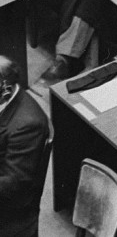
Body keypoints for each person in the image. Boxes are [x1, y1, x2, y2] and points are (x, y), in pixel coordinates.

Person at [0, 56, 50, 237]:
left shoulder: (29, 124)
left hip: (9, 211)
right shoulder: (3, 101)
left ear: (5, 90)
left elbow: (13, 184)